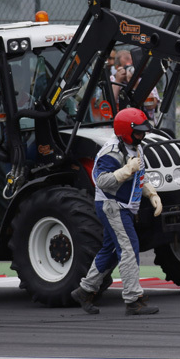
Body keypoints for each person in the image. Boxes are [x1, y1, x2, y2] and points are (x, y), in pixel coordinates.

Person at [70, 108, 162, 316]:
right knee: (129, 248)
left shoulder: (134, 147)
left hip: (123, 206)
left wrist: (152, 193)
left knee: (110, 252)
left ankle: (84, 291)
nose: (142, 135)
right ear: (125, 131)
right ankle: (133, 300)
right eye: (138, 132)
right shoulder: (112, 152)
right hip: (112, 206)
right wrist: (126, 170)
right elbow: (101, 181)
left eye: (143, 131)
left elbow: (139, 175)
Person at [112, 49, 160, 120]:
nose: (130, 69)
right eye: (126, 67)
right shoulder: (113, 80)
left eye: (132, 66)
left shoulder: (144, 80)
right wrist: (118, 81)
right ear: (117, 67)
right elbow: (109, 103)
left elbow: (150, 105)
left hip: (143, 122)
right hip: (118, 121)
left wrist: (136, 85)